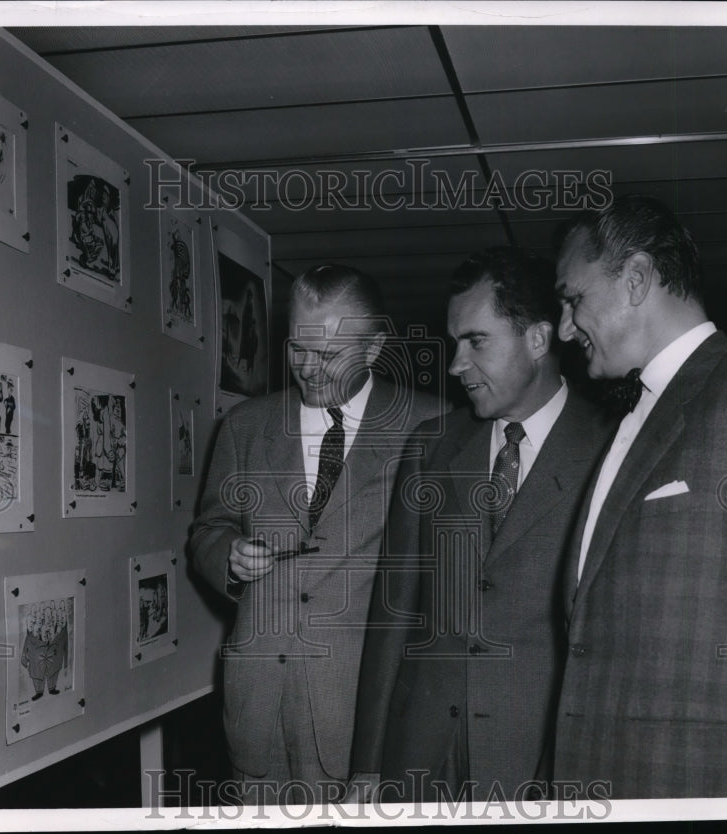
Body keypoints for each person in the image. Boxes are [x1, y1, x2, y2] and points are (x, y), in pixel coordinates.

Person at [551, 195, 727, 798]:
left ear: (635, 279)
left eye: (572, 299)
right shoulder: (632, 416)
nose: (562, 327)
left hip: (707, 781)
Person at [351, 247, 613, 803]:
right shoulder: (431, 447)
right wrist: (367, 766)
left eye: (476, 341)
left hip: (542, 760)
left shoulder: (612, 449)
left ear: (538, 340)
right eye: (453, 344)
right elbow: (392, 613)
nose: (455, 365)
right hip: (421, 754)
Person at [188, 264, 444, 805]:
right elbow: (209, 528)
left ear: (373, 349)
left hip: (362, 718)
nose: (307, 368)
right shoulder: (244, 427)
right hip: (258, 708)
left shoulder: (431, 426)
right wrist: (226, 556)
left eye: (328, 355)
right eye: (297, 348)